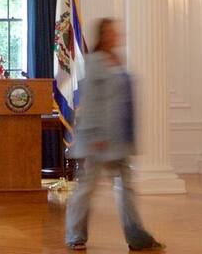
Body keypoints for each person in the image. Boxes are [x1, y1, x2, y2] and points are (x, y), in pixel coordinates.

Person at [65, 18, 165, 252]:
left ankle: (137, 237)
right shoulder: (94, 62)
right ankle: (75, 235)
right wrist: (96, 135)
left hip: (118, 139)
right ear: (102, 35)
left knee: (127, 190)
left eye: (116, 32)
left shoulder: (118, 61)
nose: (115, 36)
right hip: (97, 140)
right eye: (110, 32)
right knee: (87, 188)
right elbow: (91, 102)